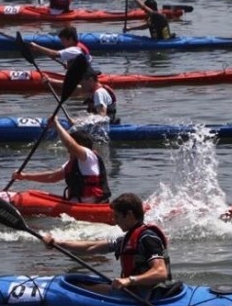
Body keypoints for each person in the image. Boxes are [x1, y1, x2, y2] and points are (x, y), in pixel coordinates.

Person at [42, 192, 171, 295]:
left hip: (153, 296)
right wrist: (58, 242)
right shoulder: (128, 239)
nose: (114, 221)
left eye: (117, 216)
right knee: (80, 284)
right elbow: (91, 247)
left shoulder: (147, 238)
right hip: (135, 291)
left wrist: (129, 280)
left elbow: (160, 272)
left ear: (130, 215)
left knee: (82, 290)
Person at [10, 116, 111, 204]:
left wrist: (56, 124)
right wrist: (24, 176)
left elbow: (70, 144)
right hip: (76, 204)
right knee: (35, 194)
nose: (67, 150)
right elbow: (52, 177)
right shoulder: (74, 163)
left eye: (70, 148)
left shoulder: (88, 155)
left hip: (88, 207)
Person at [28, 25, 93, 69]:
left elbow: (55, 53)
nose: (61, 43)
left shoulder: (74, 50)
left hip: (82, 78)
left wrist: (36, 46)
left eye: (63, 40)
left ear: (70, 39)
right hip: (83, 74)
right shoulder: (78, 46)